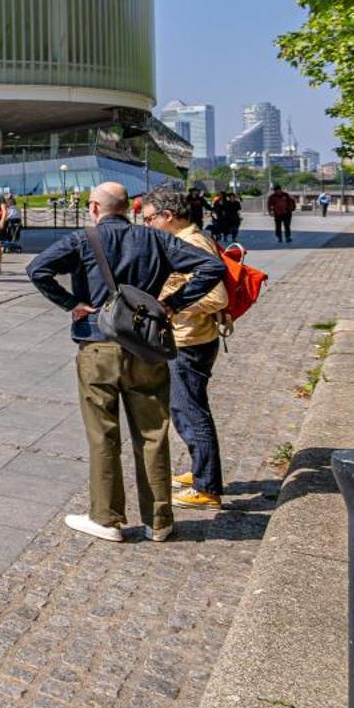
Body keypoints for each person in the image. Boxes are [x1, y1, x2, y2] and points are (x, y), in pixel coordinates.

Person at [27, 182, 227, 543]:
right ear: (130, 209)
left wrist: (71, 303)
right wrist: (173, 304)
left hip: (97, 345)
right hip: (145, 347)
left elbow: (38, 269)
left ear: (93, 208)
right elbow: (211, 268)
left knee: (103, 433)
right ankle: (159, 521)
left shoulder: (83, 239)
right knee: (153, 433)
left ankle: (106, 518)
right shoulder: (155, 239)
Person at [139, 186, 232, 510]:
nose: (148, 224)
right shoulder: (187, 240)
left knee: (190, 411)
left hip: (190, 341)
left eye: (150, 218)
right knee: (186, 409)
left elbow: (217, 297)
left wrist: (170, 305)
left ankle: (207, 488)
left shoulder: (192, 243)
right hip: (189, 338)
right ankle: (200, 472)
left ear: (168, 216)